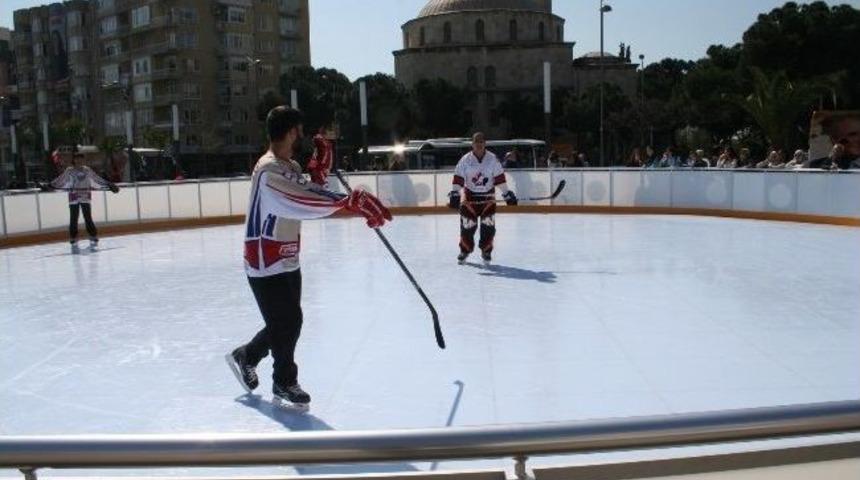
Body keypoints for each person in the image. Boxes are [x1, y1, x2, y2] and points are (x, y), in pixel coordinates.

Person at [225, 107, 392, 407]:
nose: (302, 136)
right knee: (288, 320)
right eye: (300, 131)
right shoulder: (269, 171)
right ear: (291, 132)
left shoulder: (287, 166)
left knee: (286, 321)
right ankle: (284, 381)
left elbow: (309, 189)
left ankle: (248, 355)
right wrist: (350, 202)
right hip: (265, 257)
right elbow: (301, 201)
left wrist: (318, 173)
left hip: (287, 252)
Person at [447, 132, 517, 264]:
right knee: (467, 225)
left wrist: (506, 193)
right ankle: (465, 250)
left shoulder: (492, 159)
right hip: (469, 198)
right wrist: (455, 193)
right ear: (472, 144)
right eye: (476, 142)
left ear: (485, 143)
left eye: (481, 142)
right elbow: (458, 178)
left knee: (488, 225)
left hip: (488, 198)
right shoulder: (465, 160)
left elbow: (499, 178)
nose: (478, 144)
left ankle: (486, 250)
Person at [40, 152, 119, 251]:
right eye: (77, 159)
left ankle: (93, 235)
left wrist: (109, 184)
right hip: (74, 196)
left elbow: (97, 179)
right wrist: (50, 185)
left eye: (81, 159)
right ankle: (73, 237)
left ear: (83, 160)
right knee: (74, 217)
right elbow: (61, 180)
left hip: (85, 196)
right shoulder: (69, 170)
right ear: (74, 160)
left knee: (88, 217)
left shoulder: (87, 170)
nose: (79, 161)